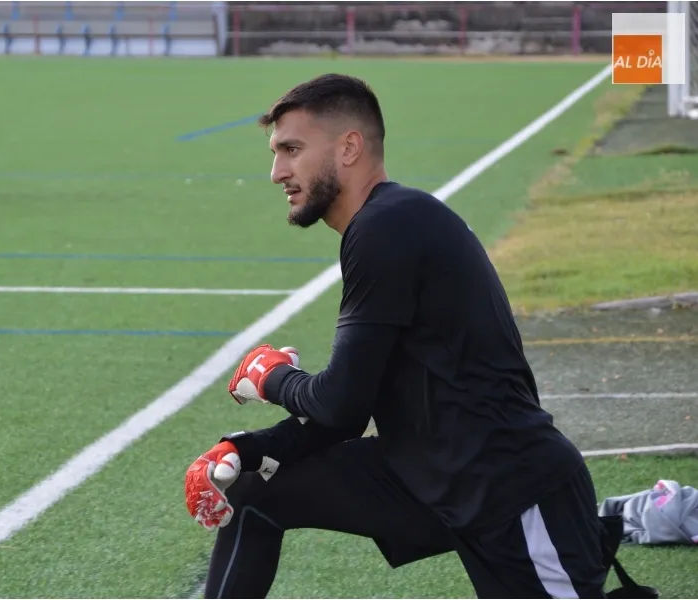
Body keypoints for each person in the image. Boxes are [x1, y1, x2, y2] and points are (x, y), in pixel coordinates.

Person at [183, 73, 624, 599]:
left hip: (510, 490)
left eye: (292, 149)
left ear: (349, 147)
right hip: (433, 475)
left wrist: (270, 375)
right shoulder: (381, 226)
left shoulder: (386, 227)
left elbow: (340, 404)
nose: (278, 171)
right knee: (255, 494)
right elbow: (351, 405)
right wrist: (245, 449)